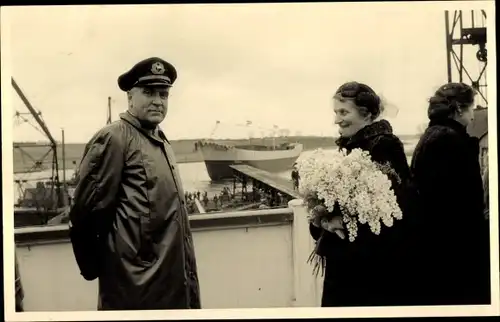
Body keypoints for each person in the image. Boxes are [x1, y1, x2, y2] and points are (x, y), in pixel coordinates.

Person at [68, 57, 201, 310]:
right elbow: (85, 214)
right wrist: (109, 273)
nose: (158, 101)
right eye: (149, 92)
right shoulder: (114, 138)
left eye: (163, 94)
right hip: (135, 292)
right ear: (130, 97)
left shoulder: (161, 140)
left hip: (174, 286)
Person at [309, 81, 416, 307]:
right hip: (350, 266)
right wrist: (323, 218)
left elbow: (393, 210)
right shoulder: (353, 145)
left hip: (368, 272)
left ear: (366, 114)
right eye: (336, 112)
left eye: (344, 112)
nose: (336, 119)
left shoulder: (384, 147)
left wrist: (338, 222)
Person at [410, 82, 490, 305]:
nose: (474, 115)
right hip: (453, 249)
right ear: (459, 109)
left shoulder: (434, 135)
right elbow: (460, 201)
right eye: (472, 108)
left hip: (435, 245)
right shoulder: (450, 140)